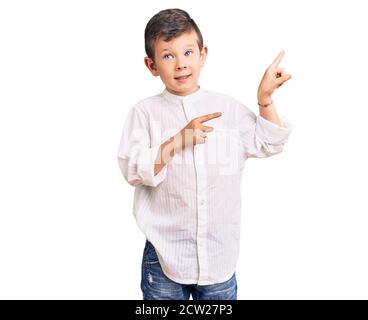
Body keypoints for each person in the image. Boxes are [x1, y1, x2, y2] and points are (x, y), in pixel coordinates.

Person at [117, 8, 293, 300]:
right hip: (164, 258)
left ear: (203, 54)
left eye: (188, 52)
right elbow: (133, 170)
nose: (180, 65)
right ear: (152, 65)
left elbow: (269, 142)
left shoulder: (228, 108)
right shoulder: (144, 113)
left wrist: (265, 101)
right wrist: (176, 141)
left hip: (219, 258)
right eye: (168, 56)